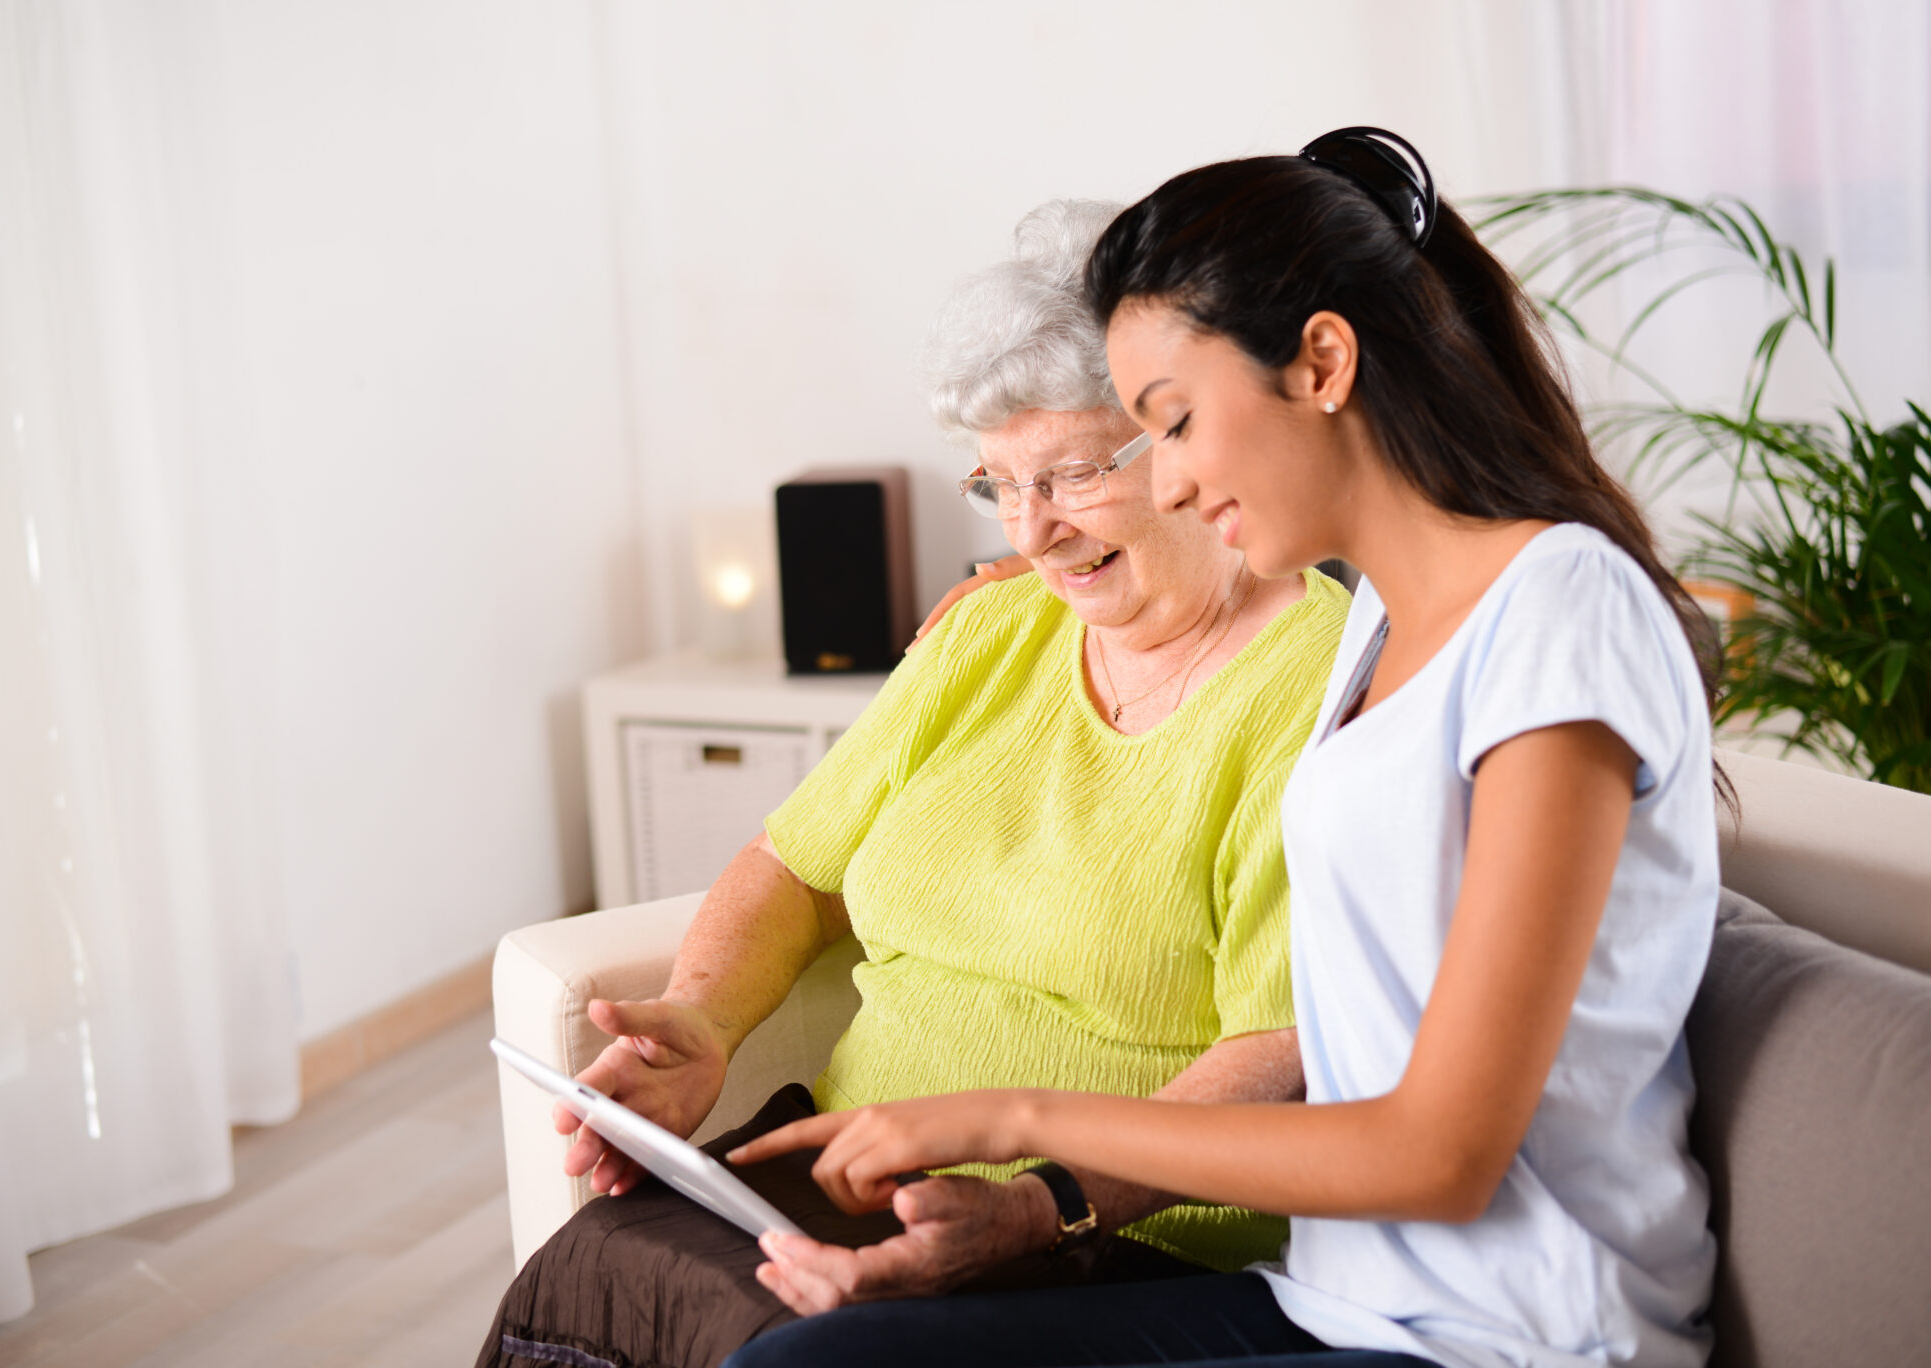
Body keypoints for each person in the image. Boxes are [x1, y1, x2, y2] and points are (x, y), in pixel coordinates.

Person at [728, 128, 1725, 1368]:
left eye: (1174, 424)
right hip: (1329, 1295)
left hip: (1514, 1340)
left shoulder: (1562, 612)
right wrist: (1038, 1202)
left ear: (1321, 361)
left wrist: (1008, 1117)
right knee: (802, 1363)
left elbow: (1443, 1153)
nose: (1180, 483)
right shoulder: (1382, 621)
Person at [473, 200, 1351, 1368]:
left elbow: (1280, 1050)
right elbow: (797, 864)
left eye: (1076, 474)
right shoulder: (989, 632)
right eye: (997, 484)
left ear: (1183, 441)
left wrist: (1045, 1193)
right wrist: (702, 1019)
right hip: (847, 1170)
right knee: (604, 1269)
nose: (1034, 533)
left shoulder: (1316, 686)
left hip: (1118, 1240)